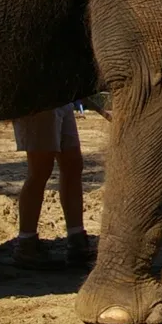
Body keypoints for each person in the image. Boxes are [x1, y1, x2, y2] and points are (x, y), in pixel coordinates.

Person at [12, 102, 97, 269]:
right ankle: (26, 243)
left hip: (62, 99)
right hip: (40, 99)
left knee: (73, 164)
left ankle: (77, 239)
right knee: (40, 169)